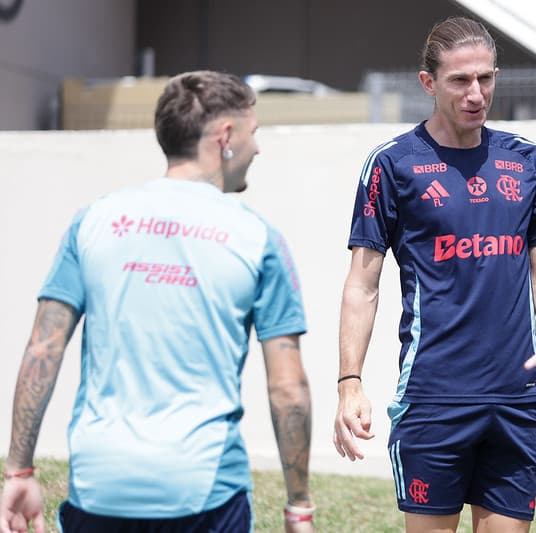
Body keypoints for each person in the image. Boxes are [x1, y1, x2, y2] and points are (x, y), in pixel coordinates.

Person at [0, 70, 315, 533]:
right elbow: (287, 390)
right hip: (204, 493)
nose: (258, 147)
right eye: (254, 132)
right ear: (225, 136)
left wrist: (20, 470)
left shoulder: (94, 220)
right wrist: (299, 505)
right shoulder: (259, 238)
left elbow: (43, 348)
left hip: (101, 488)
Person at [333, 16, 536, 533]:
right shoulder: (393, 165)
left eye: (486, 78)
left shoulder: (525, 160)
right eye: (460, 80)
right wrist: (350, 383)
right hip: (434, 399)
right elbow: (362, 284)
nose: (476, 93)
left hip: (517, 398)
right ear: (427, 83)